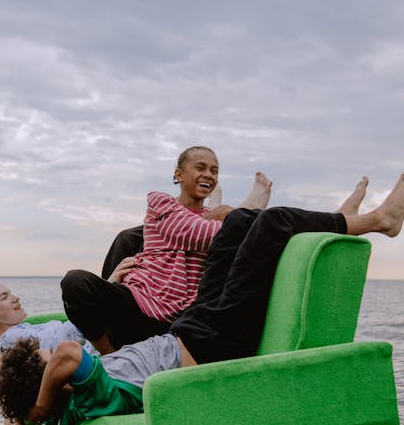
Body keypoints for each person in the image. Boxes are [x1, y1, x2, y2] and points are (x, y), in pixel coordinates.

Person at [0, 169, 404, 425]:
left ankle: (337, 217)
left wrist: (19, 414)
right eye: (43, 359)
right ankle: (376, 223)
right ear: (52, 387)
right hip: (214, 343)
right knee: (271, 223)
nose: (50, 354)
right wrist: (41, 403)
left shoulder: (70, 397)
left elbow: (20, 370)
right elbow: (66, 357)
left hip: (189, 329)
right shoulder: (87, 397)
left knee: (237, 222)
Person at [62, 146, 273, 354]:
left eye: (214, 171)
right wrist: (234, 213)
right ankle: (109, 356)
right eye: (201, 168)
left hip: (178, 319)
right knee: (76, 282)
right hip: (139, 301)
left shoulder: (217, 219)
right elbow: (198, 232)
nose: (208, 175)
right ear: (179, 174)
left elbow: (237, 240)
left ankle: (239, 208)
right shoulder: (160, 202)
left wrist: (224, 213)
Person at [0, 279, 97, 425]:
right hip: (93, 351)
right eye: (5, 297)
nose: (16, 298)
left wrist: (9, 417)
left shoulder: (20, 335)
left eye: (11, 293)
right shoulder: (11, 338)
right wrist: (99, 294)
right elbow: (68, 337)